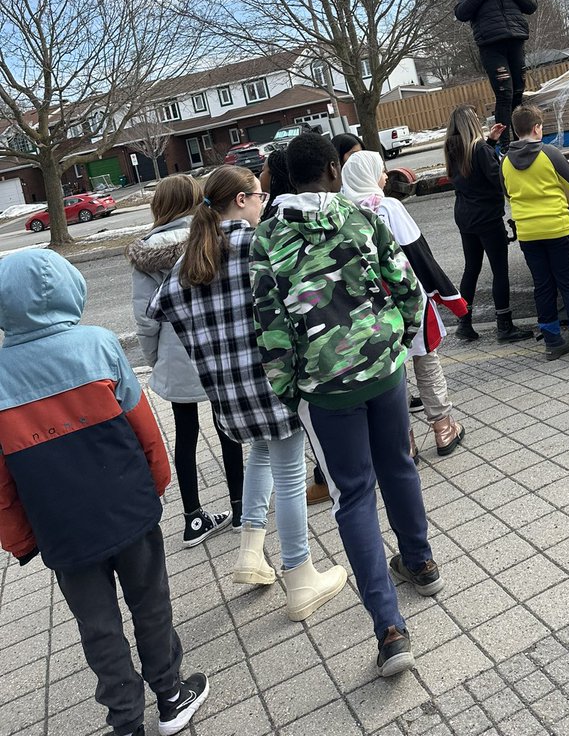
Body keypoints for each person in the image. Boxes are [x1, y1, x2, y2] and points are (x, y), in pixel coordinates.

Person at [250, 132, 442, 678]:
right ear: (334, 170)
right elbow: (405, 284)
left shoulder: (267, 239)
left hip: (325, 387)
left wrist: (288, 387)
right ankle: (421, 561)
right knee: (400, 465)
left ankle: (389, 627)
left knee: (352, 496)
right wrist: (397, 339)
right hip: (383, 367)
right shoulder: (362, 217)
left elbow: (270, 324)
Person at [0, 249, 209, 736]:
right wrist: (157, 484)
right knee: (150, 602)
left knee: (97, 627)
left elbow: (2, 484)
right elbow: (146, 430)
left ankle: (126, 722)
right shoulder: (98, 345)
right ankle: (171, 695)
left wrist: (20, 539)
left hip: (62, 531)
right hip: (127, 507)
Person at [148, 166, 347, 622]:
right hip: (275, 382)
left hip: (228, 395)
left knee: (261, 454)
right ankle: (300, 577)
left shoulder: (185, 263)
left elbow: (156, 310)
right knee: (291, 471)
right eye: (259, 196)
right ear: (241, 200)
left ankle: (250, 555)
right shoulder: (259, 245)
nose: (263, 203)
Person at [127, 175, 244, 547]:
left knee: (186, 432)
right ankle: (241, 505)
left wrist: (154, 357)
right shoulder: (209, 235)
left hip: (175, 350)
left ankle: (193, 516)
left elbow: (145, 317)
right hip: (215, 341)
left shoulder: (146, 253)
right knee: (227, 426)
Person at [341, 150, 467, 456]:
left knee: (393, 375)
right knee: (426, 362)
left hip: (369, 308)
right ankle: (443, 429)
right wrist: (450, 297)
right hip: (407, 299)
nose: (386, 176)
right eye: (381, 171)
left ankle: (405, 441)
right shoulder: (388, 208)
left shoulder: (342, 213)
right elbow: (419, 256)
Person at [502, 104, 569, 363]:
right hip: (558, 229)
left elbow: (507, 193)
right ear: (537, 128)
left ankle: (552, 342)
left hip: (528, 233)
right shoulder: (548, 153)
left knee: (543, 286)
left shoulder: (504, 161)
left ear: (516, 130)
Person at [261, 148, 331, 506]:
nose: (261, 178)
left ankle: (326, 477)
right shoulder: (345, 213)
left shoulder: (270, 225)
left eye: (265, 171)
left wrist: (284, 383)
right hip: (356, 343)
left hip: (308, 353)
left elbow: (268, 309)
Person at [443, 103, 531, 343]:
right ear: (472, 124)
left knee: (471, 268)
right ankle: (504, 325)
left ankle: (464, 322)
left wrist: (491, 143)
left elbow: (472, 170)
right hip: (486, 216)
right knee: (499, 269)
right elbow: (496, 178)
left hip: (465, 216)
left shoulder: (453, 149)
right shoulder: (479, 149)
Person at [454, 0, 538, 152]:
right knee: (504, 93)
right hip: (491, 46)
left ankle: (521, 138)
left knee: (518, 90)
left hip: (515, 41)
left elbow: (531, 6)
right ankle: (505, 144)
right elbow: (461, 13)